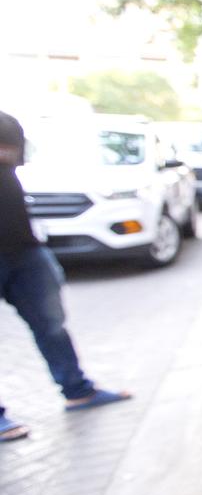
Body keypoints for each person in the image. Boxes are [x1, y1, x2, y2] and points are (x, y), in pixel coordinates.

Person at [0, 111, 131, 442]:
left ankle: (78, 390)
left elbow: (14, 150)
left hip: (23, 249)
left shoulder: (6, 123)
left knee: (51, 325)